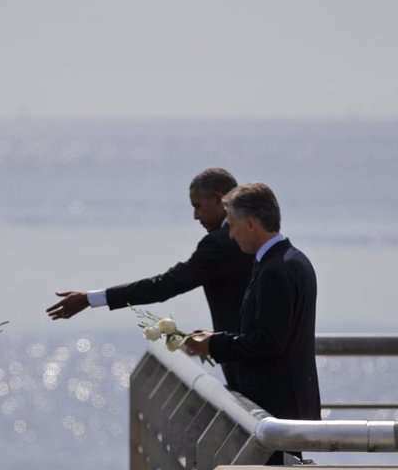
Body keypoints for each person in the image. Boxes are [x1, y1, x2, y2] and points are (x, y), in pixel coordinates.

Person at [45, 167, 255, 389]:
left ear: (219, 199)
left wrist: (90, 299)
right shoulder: (252, 235)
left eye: (197, 206)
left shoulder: (219, 243)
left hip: (248, 363)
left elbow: (164, 287)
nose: (195, 216)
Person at [183, 182, 320, 426]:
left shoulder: (274, 271)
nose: (231, 234)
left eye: (233, 226)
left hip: (276, 407)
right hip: (292, 402)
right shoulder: (295, 260)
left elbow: (268, 342)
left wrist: (214, 344)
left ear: (251, 224)